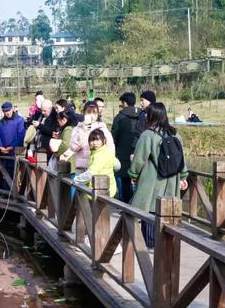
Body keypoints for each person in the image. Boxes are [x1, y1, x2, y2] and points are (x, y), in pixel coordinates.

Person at [129, 102, 188, 248]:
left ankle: (149, 245)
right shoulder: (175, 134)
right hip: (172, 179)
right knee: (168, 212)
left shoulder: (148, 134)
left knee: (150, 210)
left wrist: (133, 175)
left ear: (150, 115)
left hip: (152, 179)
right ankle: (166, 245)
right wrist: (183, 176)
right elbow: (181, 158)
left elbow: (139, 159)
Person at [65, 101, 115, 179]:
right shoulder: (78, 128)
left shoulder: (103, 129)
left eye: (94, 113)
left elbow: (111, 149)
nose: (91, 115)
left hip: (98, 169)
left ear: (98, 114)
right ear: (84, 113)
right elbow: (72, 147)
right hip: (81, 169)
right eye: (88, 112)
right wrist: (82, 132)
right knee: (81, 189)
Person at [74, 129, 121, 198]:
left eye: (97, 140)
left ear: (104, 140)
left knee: (90, 207)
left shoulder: (99, 156)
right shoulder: (108, 151)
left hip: (98, 191)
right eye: (92, 140)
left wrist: (76, 180)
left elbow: (91, 173)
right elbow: (118, 166)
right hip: (110, 188)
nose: (95, 143)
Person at [111, 92, 140, 203]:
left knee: (124, 180)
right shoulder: (141, 116)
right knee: (138, 180)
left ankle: (125, 206)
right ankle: (136, 205)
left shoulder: (120, 117)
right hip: (138, 153)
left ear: (125, 103)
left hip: (122, 153)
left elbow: (114, 136)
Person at [0, 101, 25, 189]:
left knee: (15, 174)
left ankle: (15, 194)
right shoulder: (1, 121)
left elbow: (21, 135)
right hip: (4, 152)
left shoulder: (19, 120)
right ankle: (4, 192)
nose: (7, 113)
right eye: (5, 111)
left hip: (14, 152)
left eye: (8, 110)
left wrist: (11, 147)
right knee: (4, 173)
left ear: (12, 109)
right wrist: (0, 146)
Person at [32, 99, 54, 164]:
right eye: (42, 110)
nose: (43, 112)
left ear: (50, 109)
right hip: (38, 148)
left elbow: (51, 132)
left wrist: (39, 125)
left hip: (47, 151)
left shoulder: (54, 118)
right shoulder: (41, 116)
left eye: (45, 111)